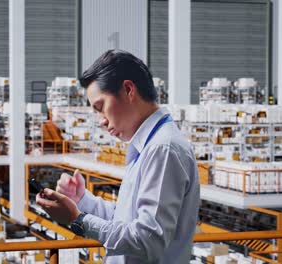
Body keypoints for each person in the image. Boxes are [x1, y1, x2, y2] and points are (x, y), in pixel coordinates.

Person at [36, 49, 200, 264]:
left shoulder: (163, 149)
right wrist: (82, 201)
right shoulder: (148, 146)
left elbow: (147, 240)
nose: (101, 120)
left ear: (128, 90)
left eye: (100, 107)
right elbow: (126, 218)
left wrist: (78, 220)